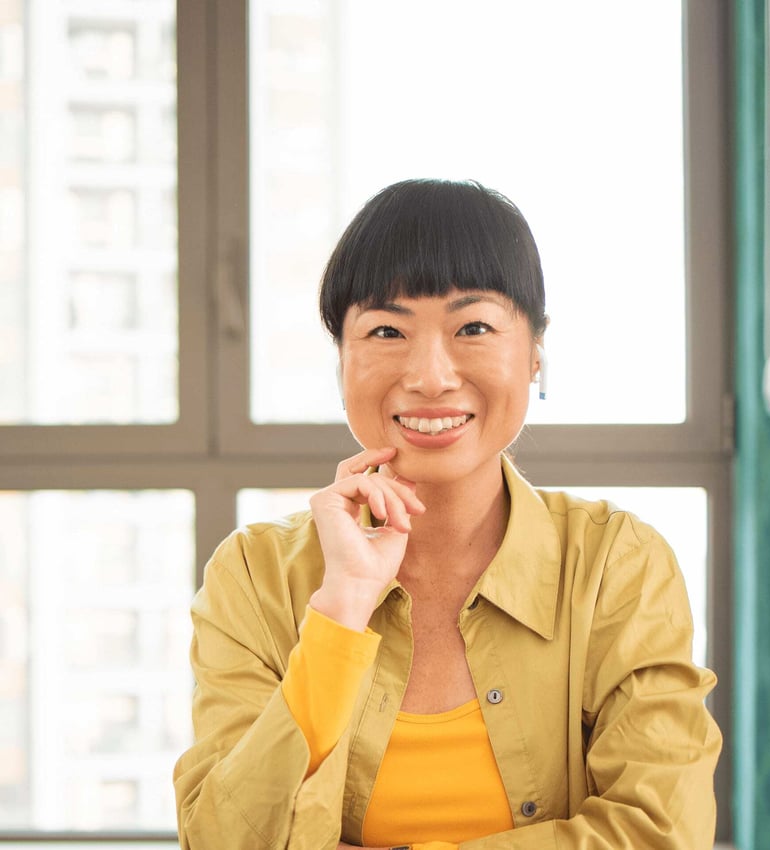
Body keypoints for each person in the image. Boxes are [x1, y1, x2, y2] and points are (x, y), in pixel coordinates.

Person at [173, 178, 722, 849]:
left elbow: (661, 833)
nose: (431, 375)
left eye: (474, 327)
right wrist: (340, 608)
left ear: (536, 354)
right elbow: (223, 840)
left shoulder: (616, 565)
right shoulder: (253, 578)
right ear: (341, 359)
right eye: (385, 330)